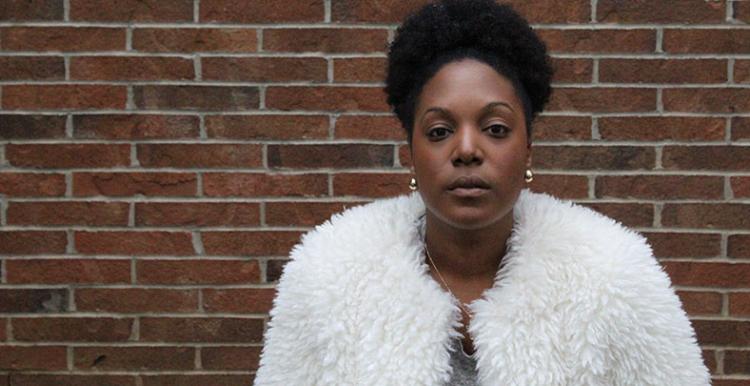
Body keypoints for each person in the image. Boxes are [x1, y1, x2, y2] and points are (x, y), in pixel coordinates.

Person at [253, 0, 711, 385]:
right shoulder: (327, 276)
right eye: (439, 131)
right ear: (409, 153)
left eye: (495, 128)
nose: (467, 149)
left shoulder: (615, 277)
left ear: (527, 148)